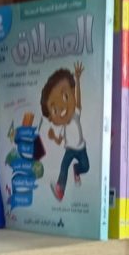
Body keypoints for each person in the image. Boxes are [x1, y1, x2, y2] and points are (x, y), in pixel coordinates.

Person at [41, 63, 89, 201]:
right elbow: (59, 140)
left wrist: (77, 80)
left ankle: (77, 170)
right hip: (69, 150)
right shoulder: (62, 127)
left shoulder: (75, 114)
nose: (62, 108)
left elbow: (78, 101)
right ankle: (60, 191)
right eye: (55, 110)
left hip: (81, 149)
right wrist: (53, 137)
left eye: (65, 97)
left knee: (86, 167)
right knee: (63, 168)